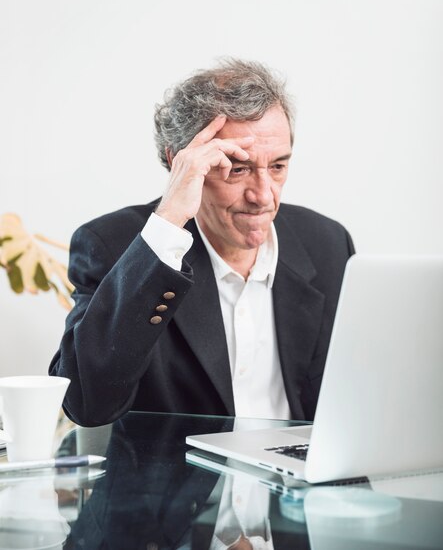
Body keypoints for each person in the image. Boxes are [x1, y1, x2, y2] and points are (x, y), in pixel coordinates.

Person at [49, 59, 354, 427]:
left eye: (277, 167)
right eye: (236, 168)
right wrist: (167, 224)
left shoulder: (328, 243)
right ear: (179, 163)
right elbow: (85, 404)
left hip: (300, 480)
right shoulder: (113, 246)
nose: (263, 195)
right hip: (179, 481)